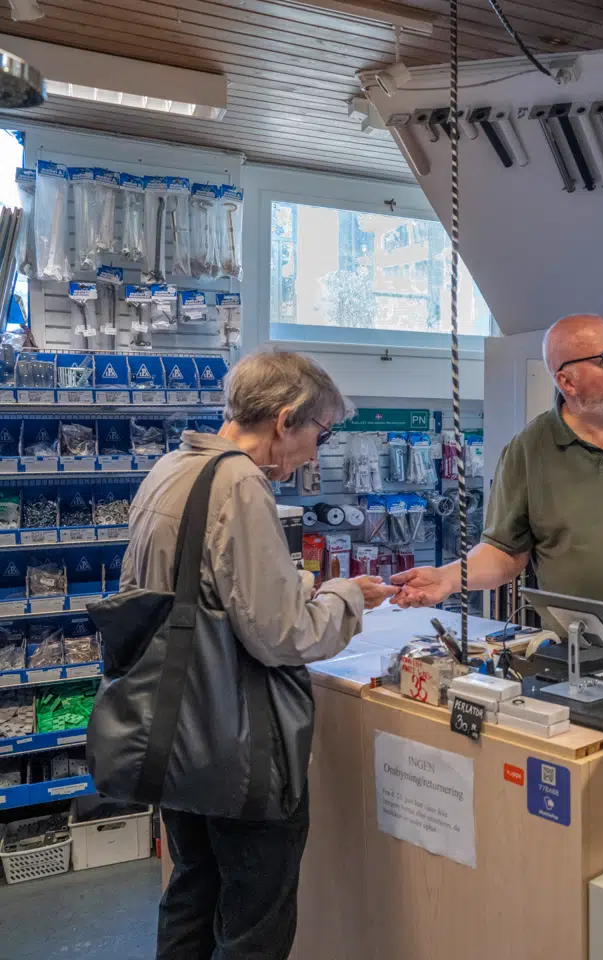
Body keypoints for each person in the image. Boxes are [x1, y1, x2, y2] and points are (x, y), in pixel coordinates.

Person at [123, 350, 396, 959]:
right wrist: (347, 597)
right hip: (234, 746)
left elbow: (191, 591)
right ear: (284, 418)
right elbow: (281, 637)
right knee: (254, 925)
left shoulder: (174, 466)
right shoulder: (240, 482)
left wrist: (305, 589)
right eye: (319, 434)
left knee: (192, 892)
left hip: (176, 734)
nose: (316, 454)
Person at [394, 314, 603, 642]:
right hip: (579, 655)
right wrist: (449, 578)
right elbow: (504, 552)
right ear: (568, 382)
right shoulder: (528, 449)